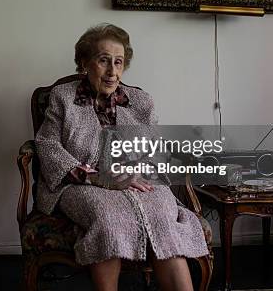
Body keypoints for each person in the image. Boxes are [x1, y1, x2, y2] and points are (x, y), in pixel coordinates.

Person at [35, 24, 208, 291]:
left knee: (163, 216)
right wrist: (95, 177)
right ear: (84, 62)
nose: (112, 72)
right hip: (81, 183)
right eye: (103, 61)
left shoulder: (141, 101)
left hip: (138, 178)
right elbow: (47, 145)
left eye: (118, 62)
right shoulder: (63, 97)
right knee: (108, 217)